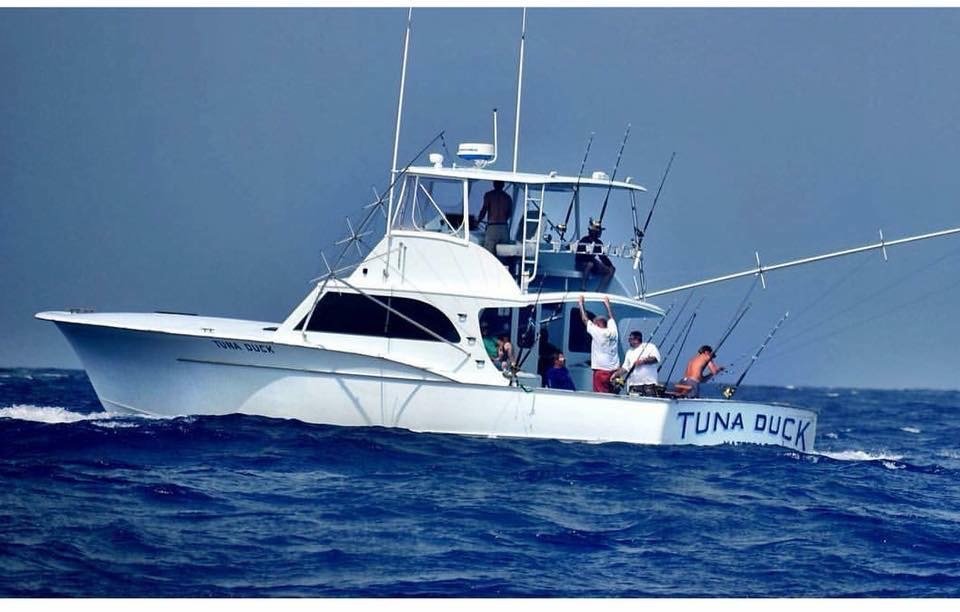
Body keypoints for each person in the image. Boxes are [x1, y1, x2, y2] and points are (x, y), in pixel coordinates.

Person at [577, 294, 619, 393]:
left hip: (601, 372)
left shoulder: (597, 331)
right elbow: (611, 317)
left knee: (600, 397)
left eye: (594, 323)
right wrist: (607, 304)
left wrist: (581, 304)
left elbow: (584, 319)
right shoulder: (614, 331)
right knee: (612, 395)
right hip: (614, 372)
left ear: (598, 324)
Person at [616, 330, 661, 397]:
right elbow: (625, 367)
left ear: (636, 340)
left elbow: (656, 359)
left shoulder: (650, 347)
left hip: (649, 384)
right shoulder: (629, 352)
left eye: (630, 339)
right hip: (633, 385)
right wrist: (616, 374)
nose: (628, 341)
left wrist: (643, 361)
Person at [575, 219, 616, 291]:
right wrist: (594, 261)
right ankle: (583, 287)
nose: (599, 233)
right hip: (581, 263)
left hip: (593, 263)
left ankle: (599, 290)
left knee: (611, 269)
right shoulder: (584, 240)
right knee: (590, 264)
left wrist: (610, 265)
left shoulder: (599, 243)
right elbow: (580, 256)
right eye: (598, 231)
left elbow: (602, 257)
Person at [477, 180, 514, 254]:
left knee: (488, 254)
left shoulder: (489, 195)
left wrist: (478, 221)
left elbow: (484, 210)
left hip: (492, 228)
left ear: (494, 184)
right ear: (503, 185)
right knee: (504, 254)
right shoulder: (508, 197)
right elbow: (510, 214)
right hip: (504, 228)